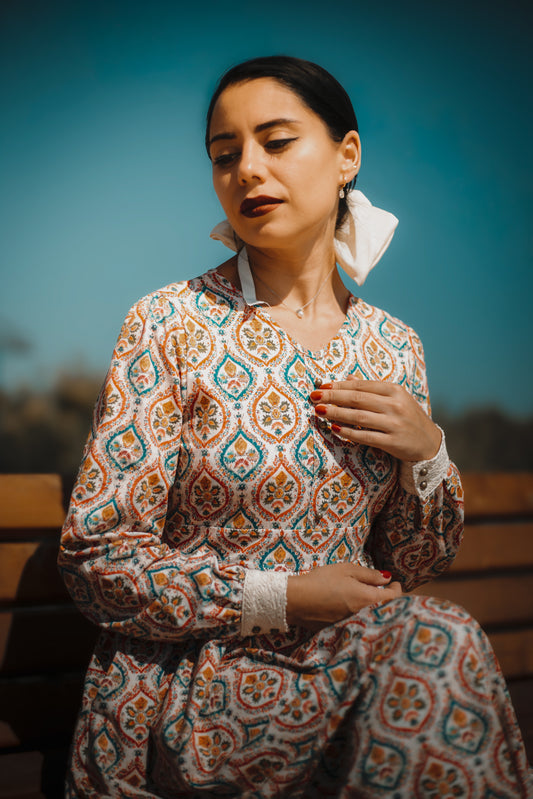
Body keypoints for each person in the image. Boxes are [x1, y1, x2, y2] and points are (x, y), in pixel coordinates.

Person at [59, 55, 532, 798]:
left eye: (275, 142)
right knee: (438, 647)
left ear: (346, 156)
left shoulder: (393, 346)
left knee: (434, 641)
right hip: (198, 692)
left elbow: (413, 560)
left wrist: (427, 454)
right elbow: (98, 560)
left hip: (360, 667)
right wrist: (280, 595)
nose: (247, 168)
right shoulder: (170, 323)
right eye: (225, 154)